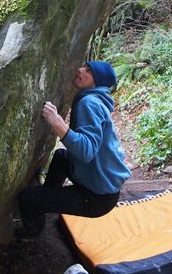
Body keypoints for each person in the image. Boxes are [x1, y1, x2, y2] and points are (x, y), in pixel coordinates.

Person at [18, 60, 131, 236]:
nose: (80, 70)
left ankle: (33, 232)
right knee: (62, 157)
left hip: (96, 198)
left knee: (27, 198)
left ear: (96, 81)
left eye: (88, 71)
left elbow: (86, 151)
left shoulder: (90, 103)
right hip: (102, 184)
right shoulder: (94, 100)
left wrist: (57, 122)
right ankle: (47, 199)